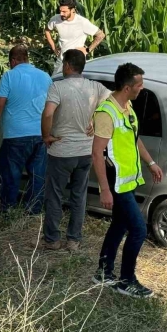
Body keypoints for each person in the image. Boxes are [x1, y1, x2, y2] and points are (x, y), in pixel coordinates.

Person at [90, 63, 163, 298]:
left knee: (120, 225)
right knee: (139, 230)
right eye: (139, 85)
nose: (142, 88)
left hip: (127, 181)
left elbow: (135, 139)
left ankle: (103, 272)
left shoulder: (127, 107)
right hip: (115, 182)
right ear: (127, 87)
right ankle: (126, 280)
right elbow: (97, 153)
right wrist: (104, 189)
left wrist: (151, 163)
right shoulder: (106, 113)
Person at [41, 49, 110, 251]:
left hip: (61, 151)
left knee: (54, 196)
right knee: (78, 196)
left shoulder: (57, 87)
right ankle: (74, 240)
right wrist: (96, 121)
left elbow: (47, 114)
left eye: (63, 64)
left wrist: (46, 136)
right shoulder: (95, 87)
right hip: (85, 151)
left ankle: (52, 239)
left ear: (69, 66)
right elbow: (114, 104)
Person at [0, 45, 52, 215]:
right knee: (37, 175)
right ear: (27, 58)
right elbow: (51, 104)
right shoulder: (45, 76)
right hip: (40, 133)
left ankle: (8, 208)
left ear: (13, 61)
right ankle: (33, 210)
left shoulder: (9, 76)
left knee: (11, 173)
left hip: (15, 135)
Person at [44, 0, 106, 76]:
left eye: (64, 12)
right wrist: (54, 47)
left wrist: (87, 50)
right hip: (61, 60)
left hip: (77, 63)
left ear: (72, 10)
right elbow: (47, 30)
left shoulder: (82, 22)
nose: (61, 14)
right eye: (60, 11)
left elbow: (101, 35)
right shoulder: (56, 19)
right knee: (54, 82)